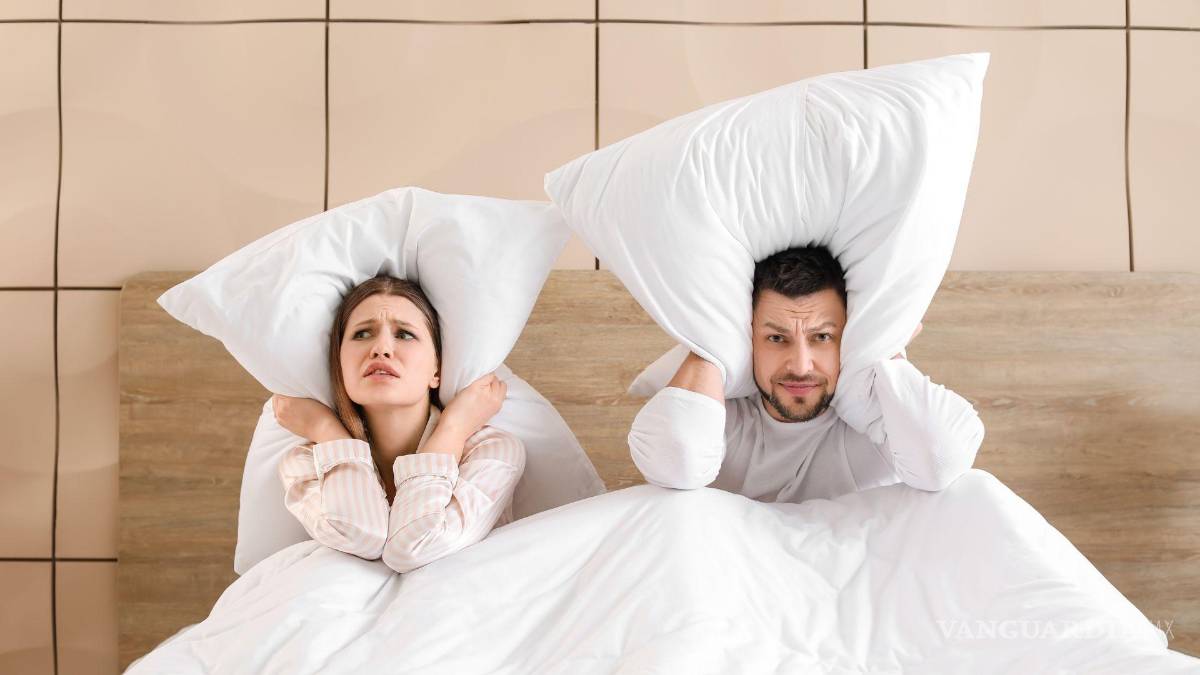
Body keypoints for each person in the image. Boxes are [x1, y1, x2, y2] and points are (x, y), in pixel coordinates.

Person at [628, 246, 984, 503]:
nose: (800, 366)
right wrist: (710, 343)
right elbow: (675, 461)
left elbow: (940, 460)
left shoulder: (883, 421)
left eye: (822, 337)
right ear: (747, 338)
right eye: (776, 338)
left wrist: (886, 349)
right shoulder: (719, 417)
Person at [272, 275, 525, 573]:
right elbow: (361, 537)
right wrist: (327, 431)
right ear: (339, 365)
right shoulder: (304, 463)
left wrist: (453, 428)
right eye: (362, 334)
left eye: (404, 334)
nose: (381, 348)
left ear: (437, 369)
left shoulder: (492, 452)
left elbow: (413, 547)